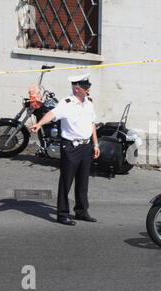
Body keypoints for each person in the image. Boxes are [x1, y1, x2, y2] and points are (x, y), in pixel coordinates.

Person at [30, 74, 100, 226]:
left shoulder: (89, 102)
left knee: (83, 181)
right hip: (71, 147)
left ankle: (81, 211)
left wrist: (95, 144)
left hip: (86, 146)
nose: (89, 89)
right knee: (66, 181)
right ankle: (62, 214)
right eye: (86, 87)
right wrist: (40, 124)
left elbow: (92, 124)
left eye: (88, 86)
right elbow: (52, 114)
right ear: (77, 89)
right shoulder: (66, 103)